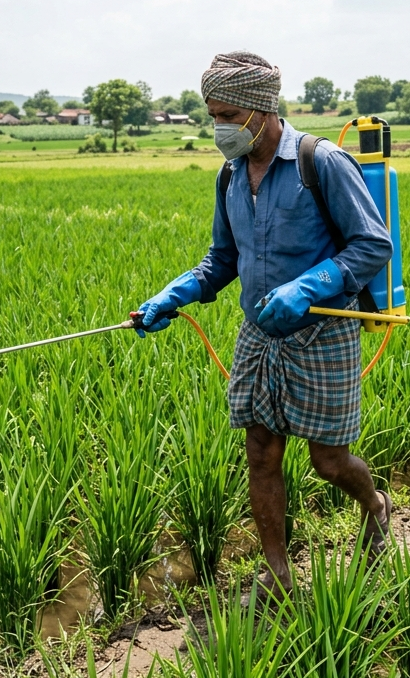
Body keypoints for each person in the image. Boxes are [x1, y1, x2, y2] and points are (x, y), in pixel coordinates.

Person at [133, 50, 395, 603]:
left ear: (260, 109)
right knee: (260, 450)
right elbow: (221, 260)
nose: (219, 128)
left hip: (323, 331)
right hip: (259, 334)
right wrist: (172, 296)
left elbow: (373, 245)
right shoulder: (229, 174)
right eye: (213, 116)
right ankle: (276, 571)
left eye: (228, 115)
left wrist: (307, 287)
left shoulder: (319, 162)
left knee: (327, 461)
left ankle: (374, 505)